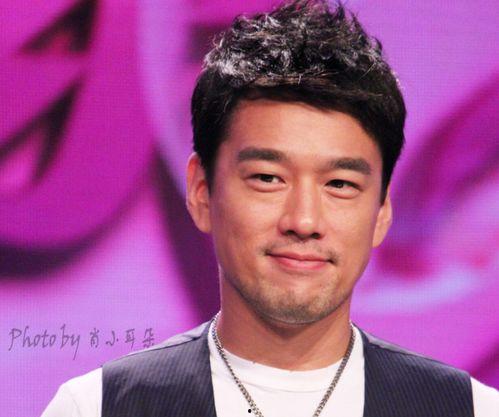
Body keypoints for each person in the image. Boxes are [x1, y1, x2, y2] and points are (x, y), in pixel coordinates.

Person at [42, 1, 498, 416]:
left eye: (340, 184)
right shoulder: (97, 407)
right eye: (267, 179)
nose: (304, 221)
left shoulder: (468, 409)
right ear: (202, 192)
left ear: (381, 210)